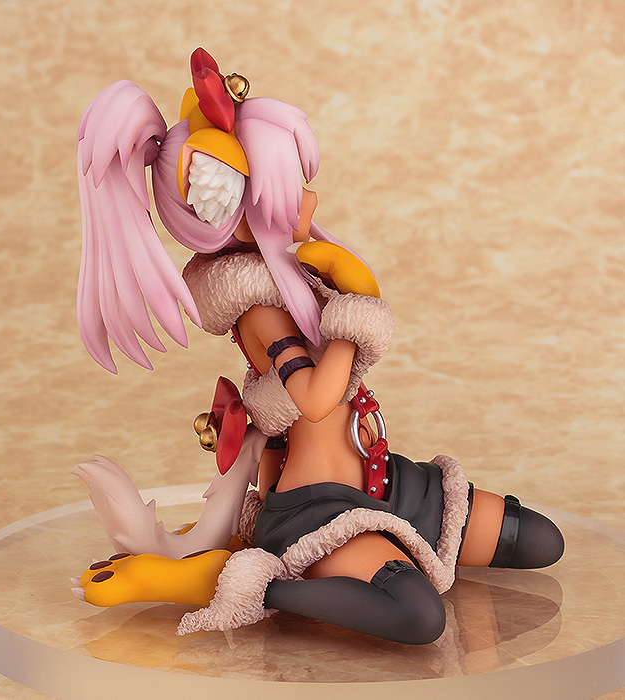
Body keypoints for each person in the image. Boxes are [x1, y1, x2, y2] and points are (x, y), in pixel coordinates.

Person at [72, 49, 564, 645]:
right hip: (321, 504)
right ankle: (257, 581)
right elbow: (313, 397)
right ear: (241, 219)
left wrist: (345, 290)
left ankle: (278, 557)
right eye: (286, 189)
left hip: (381, 479)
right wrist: (357, 311)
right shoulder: (260, 307)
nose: (307, 199)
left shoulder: (293, 275)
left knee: (537, 539)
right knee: (418, 615)